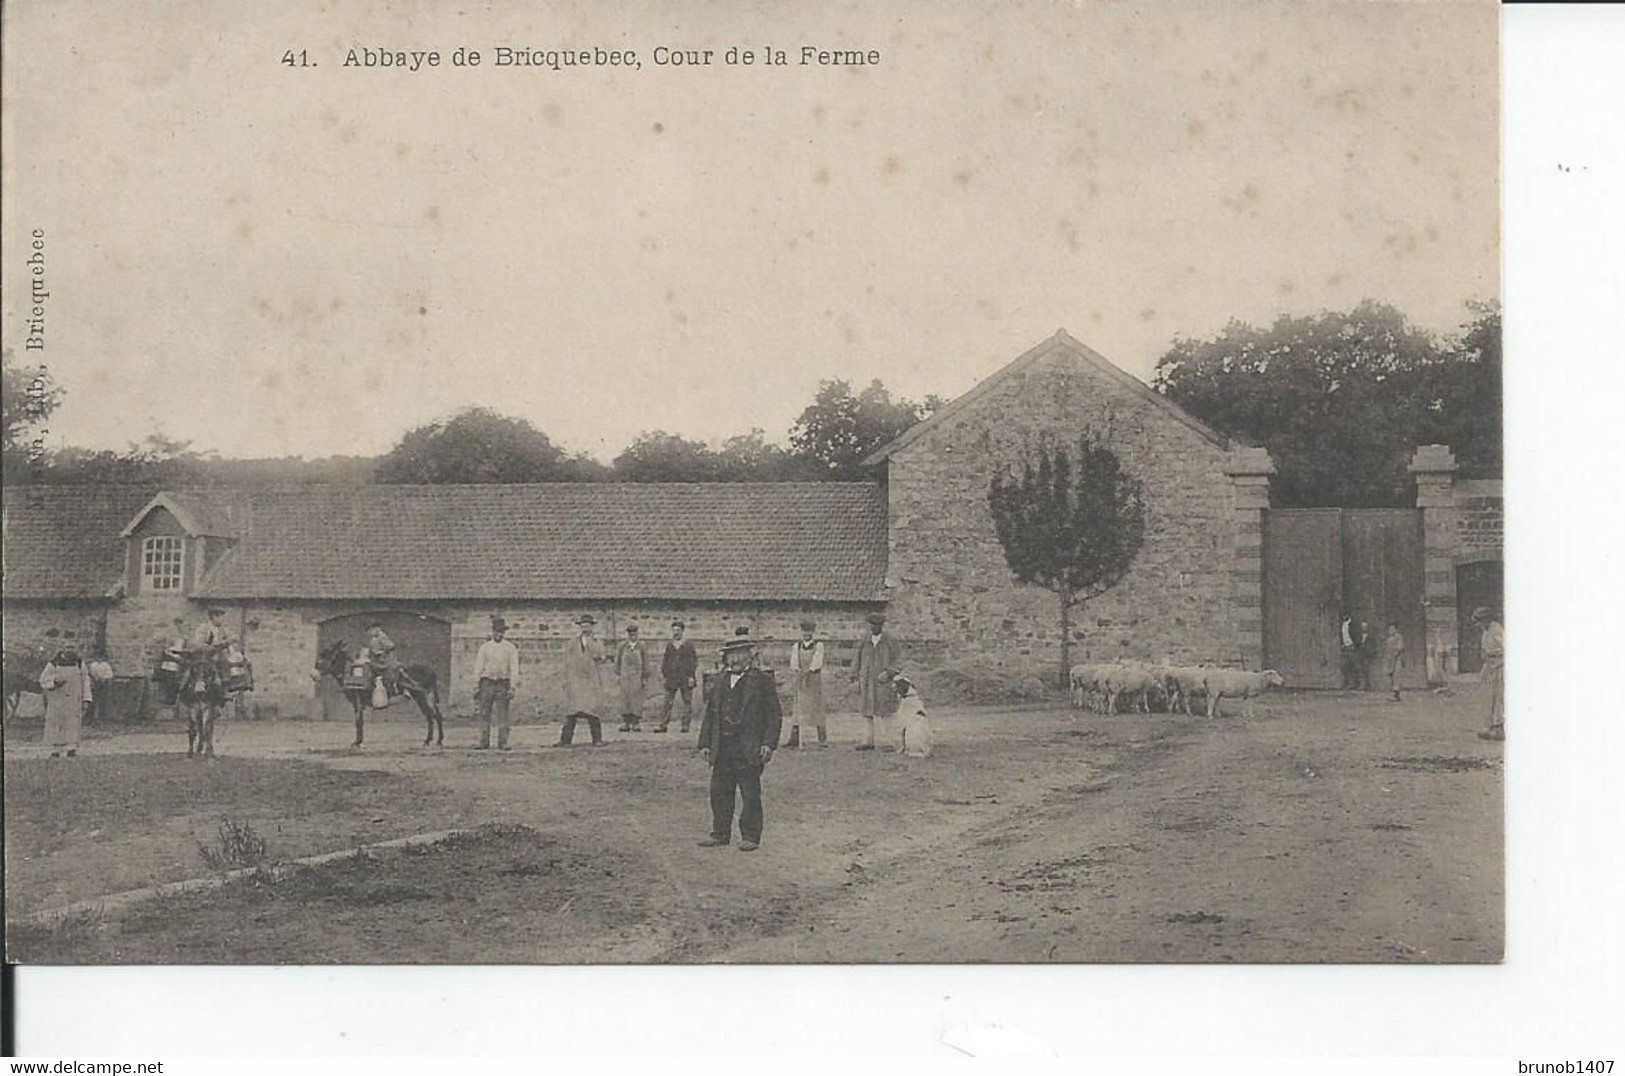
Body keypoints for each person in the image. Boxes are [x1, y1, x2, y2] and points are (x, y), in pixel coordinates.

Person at [697, 632, 783, 852]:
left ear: (749, 655)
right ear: (725, 658)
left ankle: (751, 836)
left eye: (739, 654)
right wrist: (705, 743)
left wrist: (769, 744)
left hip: (749, 747)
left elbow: (774, 715)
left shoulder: (762, 681)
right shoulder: (719, 681)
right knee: (719, 790)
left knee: (750, 793)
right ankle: (720, 833)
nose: (734, 660)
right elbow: (710, 715)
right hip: (723, 747)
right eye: (730, 655)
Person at [853, 611, 902, 750]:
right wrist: (854, 676)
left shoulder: (890, 641)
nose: (875, 628)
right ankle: (867, 741)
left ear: (882, 626)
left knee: (886, 711)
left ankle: (889, 741)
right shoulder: (864, 640)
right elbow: (857, 659)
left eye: (878, 625)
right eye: (872, 625)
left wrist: (889, 672)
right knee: (866, 711)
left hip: (883, 681)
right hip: (867, 680)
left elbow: (899, 660)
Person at [472, 616, 521, 750]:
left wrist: (512, 687)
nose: (498, 634)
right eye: (496, 631)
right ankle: (483, 741)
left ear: (504, 633)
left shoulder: (510, 648)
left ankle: (503, 742)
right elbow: (478, 667)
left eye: (501, 632)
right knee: (484, 713)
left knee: (502, 713)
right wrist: (476, 684)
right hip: (487, 683)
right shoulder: (485, 647)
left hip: (502, 684)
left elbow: (514, 668)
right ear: (492, 632)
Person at [558, 614, 606, 746]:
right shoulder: (572, 642)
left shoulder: (596, 641)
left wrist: (591, 642)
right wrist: (566, 679)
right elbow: (567, 660)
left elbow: (600, 656)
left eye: (588, 625)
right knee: (572, 711)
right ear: (580, 627)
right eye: (583, 625)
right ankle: (566, 740)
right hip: (575, 681)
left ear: (592, 627)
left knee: (592, 711)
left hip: (590, 680)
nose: (585, 628)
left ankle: (597, 739)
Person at [40, 649, 91, 758]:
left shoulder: (80, 664)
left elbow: (86, 681)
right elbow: (43, 679)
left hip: (74, 699)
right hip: (57, 699)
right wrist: (54, 683)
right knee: (56, 723)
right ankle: (55, 750)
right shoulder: (53, 664)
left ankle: (71, 748)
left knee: (72, 723)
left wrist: (86, 699)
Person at [785, 619, 826, 748]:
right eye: (804, 632)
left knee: (816, 707)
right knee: (798, 707)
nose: (806, 634)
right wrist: (799, 671)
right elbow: (794, 662)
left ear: (812, 632)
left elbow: (818, 661)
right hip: (801, 679)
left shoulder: (819, 645)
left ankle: (822, 739)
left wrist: (810, 670)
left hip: (813, 679)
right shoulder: (796, 646)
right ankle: (795, 738)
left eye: (809, 632)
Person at [657, 620, 698, 733]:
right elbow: (665, 661)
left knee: (687, 703)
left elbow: (693, 661)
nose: (676, 633)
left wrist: (691, 676)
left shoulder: (688, 645)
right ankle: (663, 725)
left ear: (682, 631)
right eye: (674, 630)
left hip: (685, 677)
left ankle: (685, 726)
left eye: (678, 630)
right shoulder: (670, 645)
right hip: (672, 678)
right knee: (667, 702)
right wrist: (665, 675)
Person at [1473, 607, 1505, 741]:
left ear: (1486, 620)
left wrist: (1495, 657)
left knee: (1498, 697)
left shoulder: (1496, 629)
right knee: (1487, 696)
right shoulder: (1485, 631)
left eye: (1479, 622)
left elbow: (1506, 647)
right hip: (1488, 667)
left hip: (1499, 666)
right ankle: (1489, 725)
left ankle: (1499, 728)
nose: (1478, 625)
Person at [615, 624, 648, 732]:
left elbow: (645, 662)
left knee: (636, 700)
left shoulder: (642, 646)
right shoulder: (622, 646)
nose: (632, 636)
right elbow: (618, 661)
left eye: (634, 634)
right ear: (628, 634)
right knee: (625, 699)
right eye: (630, 634)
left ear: (637, 634)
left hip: (637, 677)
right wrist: (618, 675)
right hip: (625, 677)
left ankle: (636, 723)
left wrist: (644, 677)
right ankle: (625, 723)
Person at [891, 674, 933, 758]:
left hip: (915, 728)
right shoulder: (912, 699)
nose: (894, 688)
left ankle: (916, 750)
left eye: (896, 686)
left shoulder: (908, 701)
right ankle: (908, 748)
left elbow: (903, 725)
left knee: (909, 727)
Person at [367, 622, 404, 696]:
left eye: (372, 629)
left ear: (377, 628)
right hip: (377, 659)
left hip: (385, 659)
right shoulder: (373, 638)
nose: (370, 632)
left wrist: (382, 652)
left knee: (389, 673)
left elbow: (391, 646)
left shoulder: (382, 636)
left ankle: (393, 689)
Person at [86, 649, 116, 722]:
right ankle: (91, 717)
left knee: (103, 701)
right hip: (95, 684)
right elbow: (90, 673)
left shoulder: (105, 665)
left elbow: (110, 674)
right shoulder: (93, 665)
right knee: (93, 701)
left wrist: (104, 678)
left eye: (100, 657)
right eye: (97, 657)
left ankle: (102, 716)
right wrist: (94, 678)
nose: (99, 658)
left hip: (103, 684)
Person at [1339, 614, 1365, 690]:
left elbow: (1358, 636)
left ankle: (1362, 684)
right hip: (1345, 648)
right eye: (1343, 615)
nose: (1344, 616)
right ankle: (1350, 683)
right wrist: (1342, 644)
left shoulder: (1354, 624)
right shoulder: (1342, 624)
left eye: (1345, 615)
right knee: (1345, 666)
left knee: (1357, 666)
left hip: (1353, 648)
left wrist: (1355, 645)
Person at [1384, 622, 1406, 702]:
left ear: (1396, 629)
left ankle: (1396, 694)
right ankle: (1393, 693)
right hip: (1390, 659)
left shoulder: (1399, 637)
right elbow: (1387, 650)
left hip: (1397, 659)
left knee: (1396, 675)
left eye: (1393, 629)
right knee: (1391, 675)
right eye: (1390, 629)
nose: (1391, 631)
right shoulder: (1389, 639)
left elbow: (1400, 647)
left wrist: (1395, 653)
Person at [1358, 619, 1376, 691]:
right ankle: (1362, 685)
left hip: (1368, 655)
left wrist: (1371, 653)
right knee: (1361, 670)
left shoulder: (1371, 636)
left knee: (1367, 670)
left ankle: (1368, 686)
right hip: (1360, 655)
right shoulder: (1359, 636)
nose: (1364, 628)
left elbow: (1374, 646)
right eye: (1362, 626)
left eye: (1365, 626)